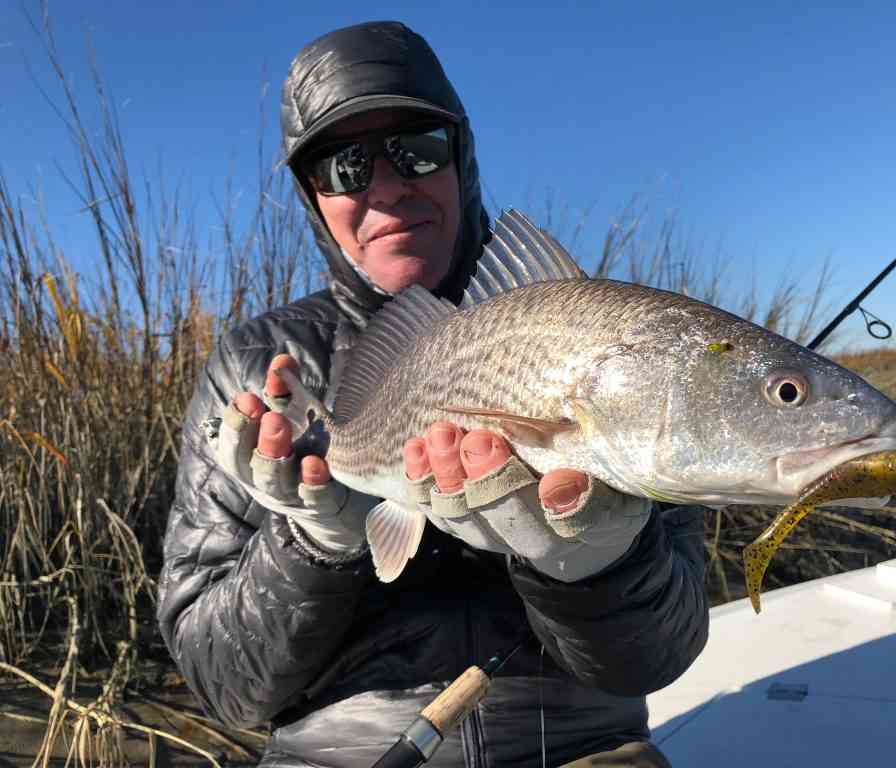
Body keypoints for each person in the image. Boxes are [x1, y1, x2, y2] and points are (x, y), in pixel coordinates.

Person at [157, 20, 709, 768]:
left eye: (416, 148)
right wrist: (311, 543)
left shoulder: (612, 340)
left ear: (463, 155)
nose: (386, 188)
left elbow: (658, 658)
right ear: (311, 194)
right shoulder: (254, 364)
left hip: (586, 741)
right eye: (343, 165)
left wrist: (600, 564)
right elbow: (223, 685)